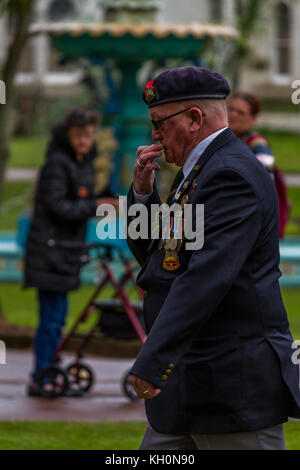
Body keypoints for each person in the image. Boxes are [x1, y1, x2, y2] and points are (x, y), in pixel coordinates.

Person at [126, 66, 300, 450]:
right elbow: (162, 262)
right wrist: (142, 196)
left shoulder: (230, 174)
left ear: (194, 118)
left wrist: (154, 358)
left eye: (159, 123)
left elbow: (207, 277)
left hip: (231, 388)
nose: (154, 135)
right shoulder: (199, 170)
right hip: (188, 389)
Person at [24, 108, 115, 396]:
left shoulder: (81, 164)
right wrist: (96, 206)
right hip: (50, 253)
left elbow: (81, 199)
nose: (84, 141)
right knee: (51, 320)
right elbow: (57, 207)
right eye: (79, 135)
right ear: (68, 134)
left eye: (88, 136)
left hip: (63, 252)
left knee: (58, 318)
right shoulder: (58, 164)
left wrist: (106, 199)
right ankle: (41, 374)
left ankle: (48, 368)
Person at [228, 91, 290, 238]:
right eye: (230, 109)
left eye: (240, 112)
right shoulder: (231, 142)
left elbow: (265, 185)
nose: (233, 115)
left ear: (253, 119)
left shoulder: (258, 145)